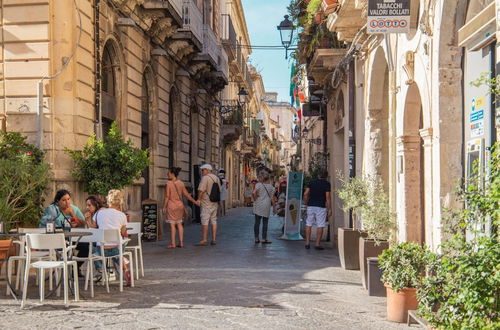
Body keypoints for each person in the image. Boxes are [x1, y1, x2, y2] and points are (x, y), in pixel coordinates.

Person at [91, 189, 132, 286]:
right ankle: (125, 268)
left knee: (93, 249)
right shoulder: (122, 215)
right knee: (122, 242)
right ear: (120, 202)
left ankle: (100, 269)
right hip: (116, 250)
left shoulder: (98, 213)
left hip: (100, 250)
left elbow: (93, 227)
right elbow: (123, 232)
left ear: (108, 201)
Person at [162, 167, 199, 249]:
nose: (167, 174)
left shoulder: (168, 184)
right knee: (179, 223)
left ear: (172, 174)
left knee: (172, 225)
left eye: (168, 173)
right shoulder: (181, 183)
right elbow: (187, 195)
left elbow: (167, 196)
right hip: (180, 206)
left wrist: (164, 207)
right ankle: (181, 242)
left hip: (171, 206)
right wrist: (195, 201)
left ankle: (173, 243)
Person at [303, 170, 332, 250]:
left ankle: (307, 243)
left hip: (311, 205)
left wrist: (306, 203)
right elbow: (328, 197)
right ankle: (317, 244)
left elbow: (305, 194)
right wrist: (330, 209)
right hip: (321, 206)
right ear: (326, 176)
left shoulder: (311, 182)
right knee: (320, 224)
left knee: (309, 223)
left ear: (318, 175)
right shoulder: (326, 184)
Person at [195, 164, 220, 246]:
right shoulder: (216, 178)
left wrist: (198, 199)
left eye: (203, 170)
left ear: (207, 170)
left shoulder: (205, 178)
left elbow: (201, 190)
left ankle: (204, 239)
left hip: (206, 202)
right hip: (215, 202)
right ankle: (214, 239)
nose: (202, 172)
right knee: (214, 220)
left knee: (205, 221)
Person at [252, 171, 276, 244]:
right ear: (268, 178)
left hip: (258, 205)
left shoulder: (258, 185)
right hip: (266, 206)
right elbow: (272, 198)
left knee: (257, 222)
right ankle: (263, 238)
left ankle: (256, 238)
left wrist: (255, 198)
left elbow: (254, 192)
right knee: (265, 223)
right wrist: (274, 207)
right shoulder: (271, 187)